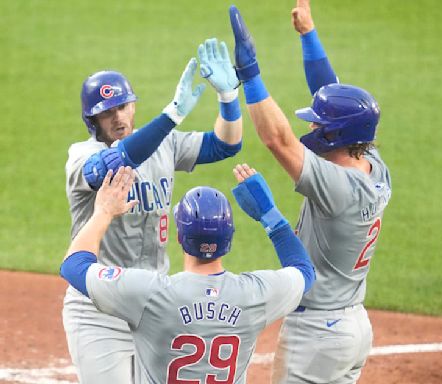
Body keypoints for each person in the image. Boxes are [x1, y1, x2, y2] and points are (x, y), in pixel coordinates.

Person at [228, 2, 392, 383]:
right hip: (351, 326)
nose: (314, 126)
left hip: (317, 335)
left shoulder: (337, 187)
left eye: (319, 123)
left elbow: (278, 139)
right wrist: (308, 34)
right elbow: (329, 93)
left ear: (334, 134)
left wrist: (249, 75)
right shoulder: (372, 165)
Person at [63, 39, 243, 383]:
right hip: (99, 305)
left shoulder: (166, 145)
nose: (117, 117)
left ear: (133, 106)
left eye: (123, 106)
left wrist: (228, 98)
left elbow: (226, 144)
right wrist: (171, 115)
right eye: (106, 111)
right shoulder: (81, 156)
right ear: (93, 119)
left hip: (154, 301)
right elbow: (116, 161)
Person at [60, 164, 315, 384]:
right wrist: (269, 214)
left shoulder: (149, 294)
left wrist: (104, 212)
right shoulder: (254, 294)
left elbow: (73, 265)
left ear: (180, 236)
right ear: (229, 239)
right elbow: (304, 271)